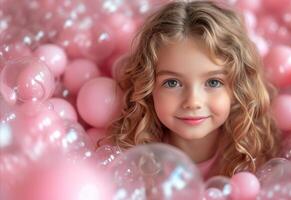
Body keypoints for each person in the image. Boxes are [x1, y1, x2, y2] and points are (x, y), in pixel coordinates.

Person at [108, 0, 280, 179]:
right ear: (148, 88)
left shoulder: (254, 157)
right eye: (172, 83)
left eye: (213, 82)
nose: (193, 102)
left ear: (237, 87)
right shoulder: (133, 162)